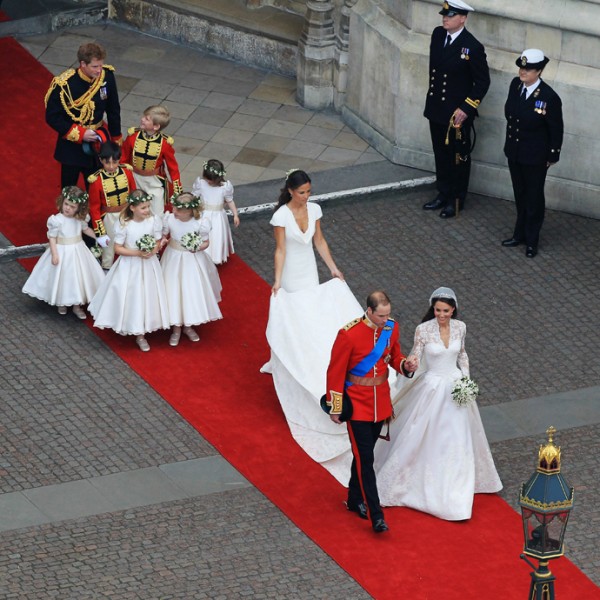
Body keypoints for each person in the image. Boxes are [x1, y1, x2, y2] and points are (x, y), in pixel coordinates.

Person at [261, 169, 364, 485]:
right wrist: (278, 281)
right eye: (303, 191)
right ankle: (283, 357)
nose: (307, 196)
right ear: (291, 191)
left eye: (309, 191)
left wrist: (333, 269)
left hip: (310, 270)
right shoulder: (281, 216)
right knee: (293, 315)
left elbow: (319, 240)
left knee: (312, 314)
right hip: (292, 272)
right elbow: (281, 250)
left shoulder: (315, 210)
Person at [374, 287, 502, 521]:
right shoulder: (423, 330)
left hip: (455, 387)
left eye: (445, 311)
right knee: (422, 433)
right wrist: (410, 363)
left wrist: (465, 378)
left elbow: (462, 354)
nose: (440, 315)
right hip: (432, 388)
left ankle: (457, 486)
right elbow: (416, 354)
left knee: (457, 436)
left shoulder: (461, 327)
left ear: (453, 309)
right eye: (437, 310)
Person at [325, 291, 418, 533]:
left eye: (388, 315)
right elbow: (335, 372)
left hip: (381, 404)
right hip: (357, 405)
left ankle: (354, 498)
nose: (385, 320)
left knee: (363, 454)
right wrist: (336, 408)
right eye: (381, 315)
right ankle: (376, 514)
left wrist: (404, 365)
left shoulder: (390, 328)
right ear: (369, 310)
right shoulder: (349, 335)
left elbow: (393, 356)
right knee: (367, 460)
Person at [422, 0, 490, 218]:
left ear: (463, 18)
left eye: (450, 16)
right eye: (444, 14)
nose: (445, 18)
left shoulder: (472, 47)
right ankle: (442, 193)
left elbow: (482, 83)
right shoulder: (438, 35)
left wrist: (465, 109)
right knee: (440, 154)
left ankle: (456, 199)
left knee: (457, 157)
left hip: (457, 114)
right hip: (437, 108)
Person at [88, 190, 170, 352]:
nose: (147, 210)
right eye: (143, 208)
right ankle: (135, 329)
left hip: (148, 264)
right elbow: (118, 248)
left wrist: (153, 250)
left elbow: (157, 240)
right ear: (132, 208)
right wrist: (138, 253)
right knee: (133, 295)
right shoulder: (124, 224)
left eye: (148, 207)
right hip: (130, 264)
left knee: (147, 295)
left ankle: (144, 327)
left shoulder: (153, 221)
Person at [501, 49, 564, 258]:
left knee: (534, 197)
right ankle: (519, 234)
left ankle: (532, 239)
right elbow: (510, 114)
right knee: (520, 194)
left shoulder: (548, 97)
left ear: (539, 71)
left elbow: (556, 128)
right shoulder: (515, 85)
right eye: (521, 67)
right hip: (515, 152)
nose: (523, 71)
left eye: (528, 69)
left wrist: (552, 155)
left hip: (535, 156)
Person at [44, 42, 122, 189]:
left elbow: (113, 110)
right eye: (95, 66)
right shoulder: (65, 85)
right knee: (69, 189)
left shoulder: (107, 77)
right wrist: (80, 134)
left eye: (100, 65)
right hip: (71, 147)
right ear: (82, 64)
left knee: (97, 189)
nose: (99, 70)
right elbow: (52, 117)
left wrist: (115, 139)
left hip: (98, 143)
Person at [22, 186, 106, 319]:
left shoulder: (80, 219)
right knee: (63, 278)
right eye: (66, 204)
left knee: (77, 278)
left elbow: (85, 230)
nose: (68, 208)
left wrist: (98, 238)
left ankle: (76, 305)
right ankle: (62, 301)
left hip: (78, 250)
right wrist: (55, 254)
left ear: (79, 208)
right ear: (62, 202)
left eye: (72, 207)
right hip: (62, 250)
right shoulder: (56, 220)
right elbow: (52, 237)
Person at [161, 192, 223, 346]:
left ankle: (188, 325)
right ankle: (176, 327)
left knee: (189, 291)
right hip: (173, 258)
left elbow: (206, 242)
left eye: (178, 210)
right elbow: (163, 236)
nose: (174, 211)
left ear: (189, 211)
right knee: (173, 291)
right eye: (174, 207)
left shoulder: (200, 223)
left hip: (191, 260)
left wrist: (197, 247)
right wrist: (161, 241)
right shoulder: (169, 219)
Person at [121, 105, 182, 219]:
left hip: (154, 182)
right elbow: (123, 159)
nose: (142, 119)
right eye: (144, 116)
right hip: (134, 179)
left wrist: (177, 189)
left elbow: (173, 168)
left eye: (147, 119)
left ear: (156, 126)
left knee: (157, 214)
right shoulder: (133, 136)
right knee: (133, 213)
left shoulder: (164, 143)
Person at [87, 141, 137, 269]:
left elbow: (133, 194)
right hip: (109, 217)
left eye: (114, 162)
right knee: (109, 250)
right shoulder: (96, 180)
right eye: (107, 162)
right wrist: (101, 233)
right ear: (101, 160)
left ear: (119, 159)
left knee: (129, 243)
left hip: (126, 214)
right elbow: (94, 208)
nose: (111, 166)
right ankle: (106, 272)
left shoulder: (127, 172)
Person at [191, 159, 239, 264]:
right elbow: (194, 197)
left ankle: (215, 256)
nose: (208, 182)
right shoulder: (201, 183)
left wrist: (235, 214)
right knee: (203, 234)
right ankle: (203, 255)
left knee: (216, 235)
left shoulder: (225, 187)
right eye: (207, 179)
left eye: (211, 180)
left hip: (218, 216)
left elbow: (230, 201)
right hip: (203, 214)